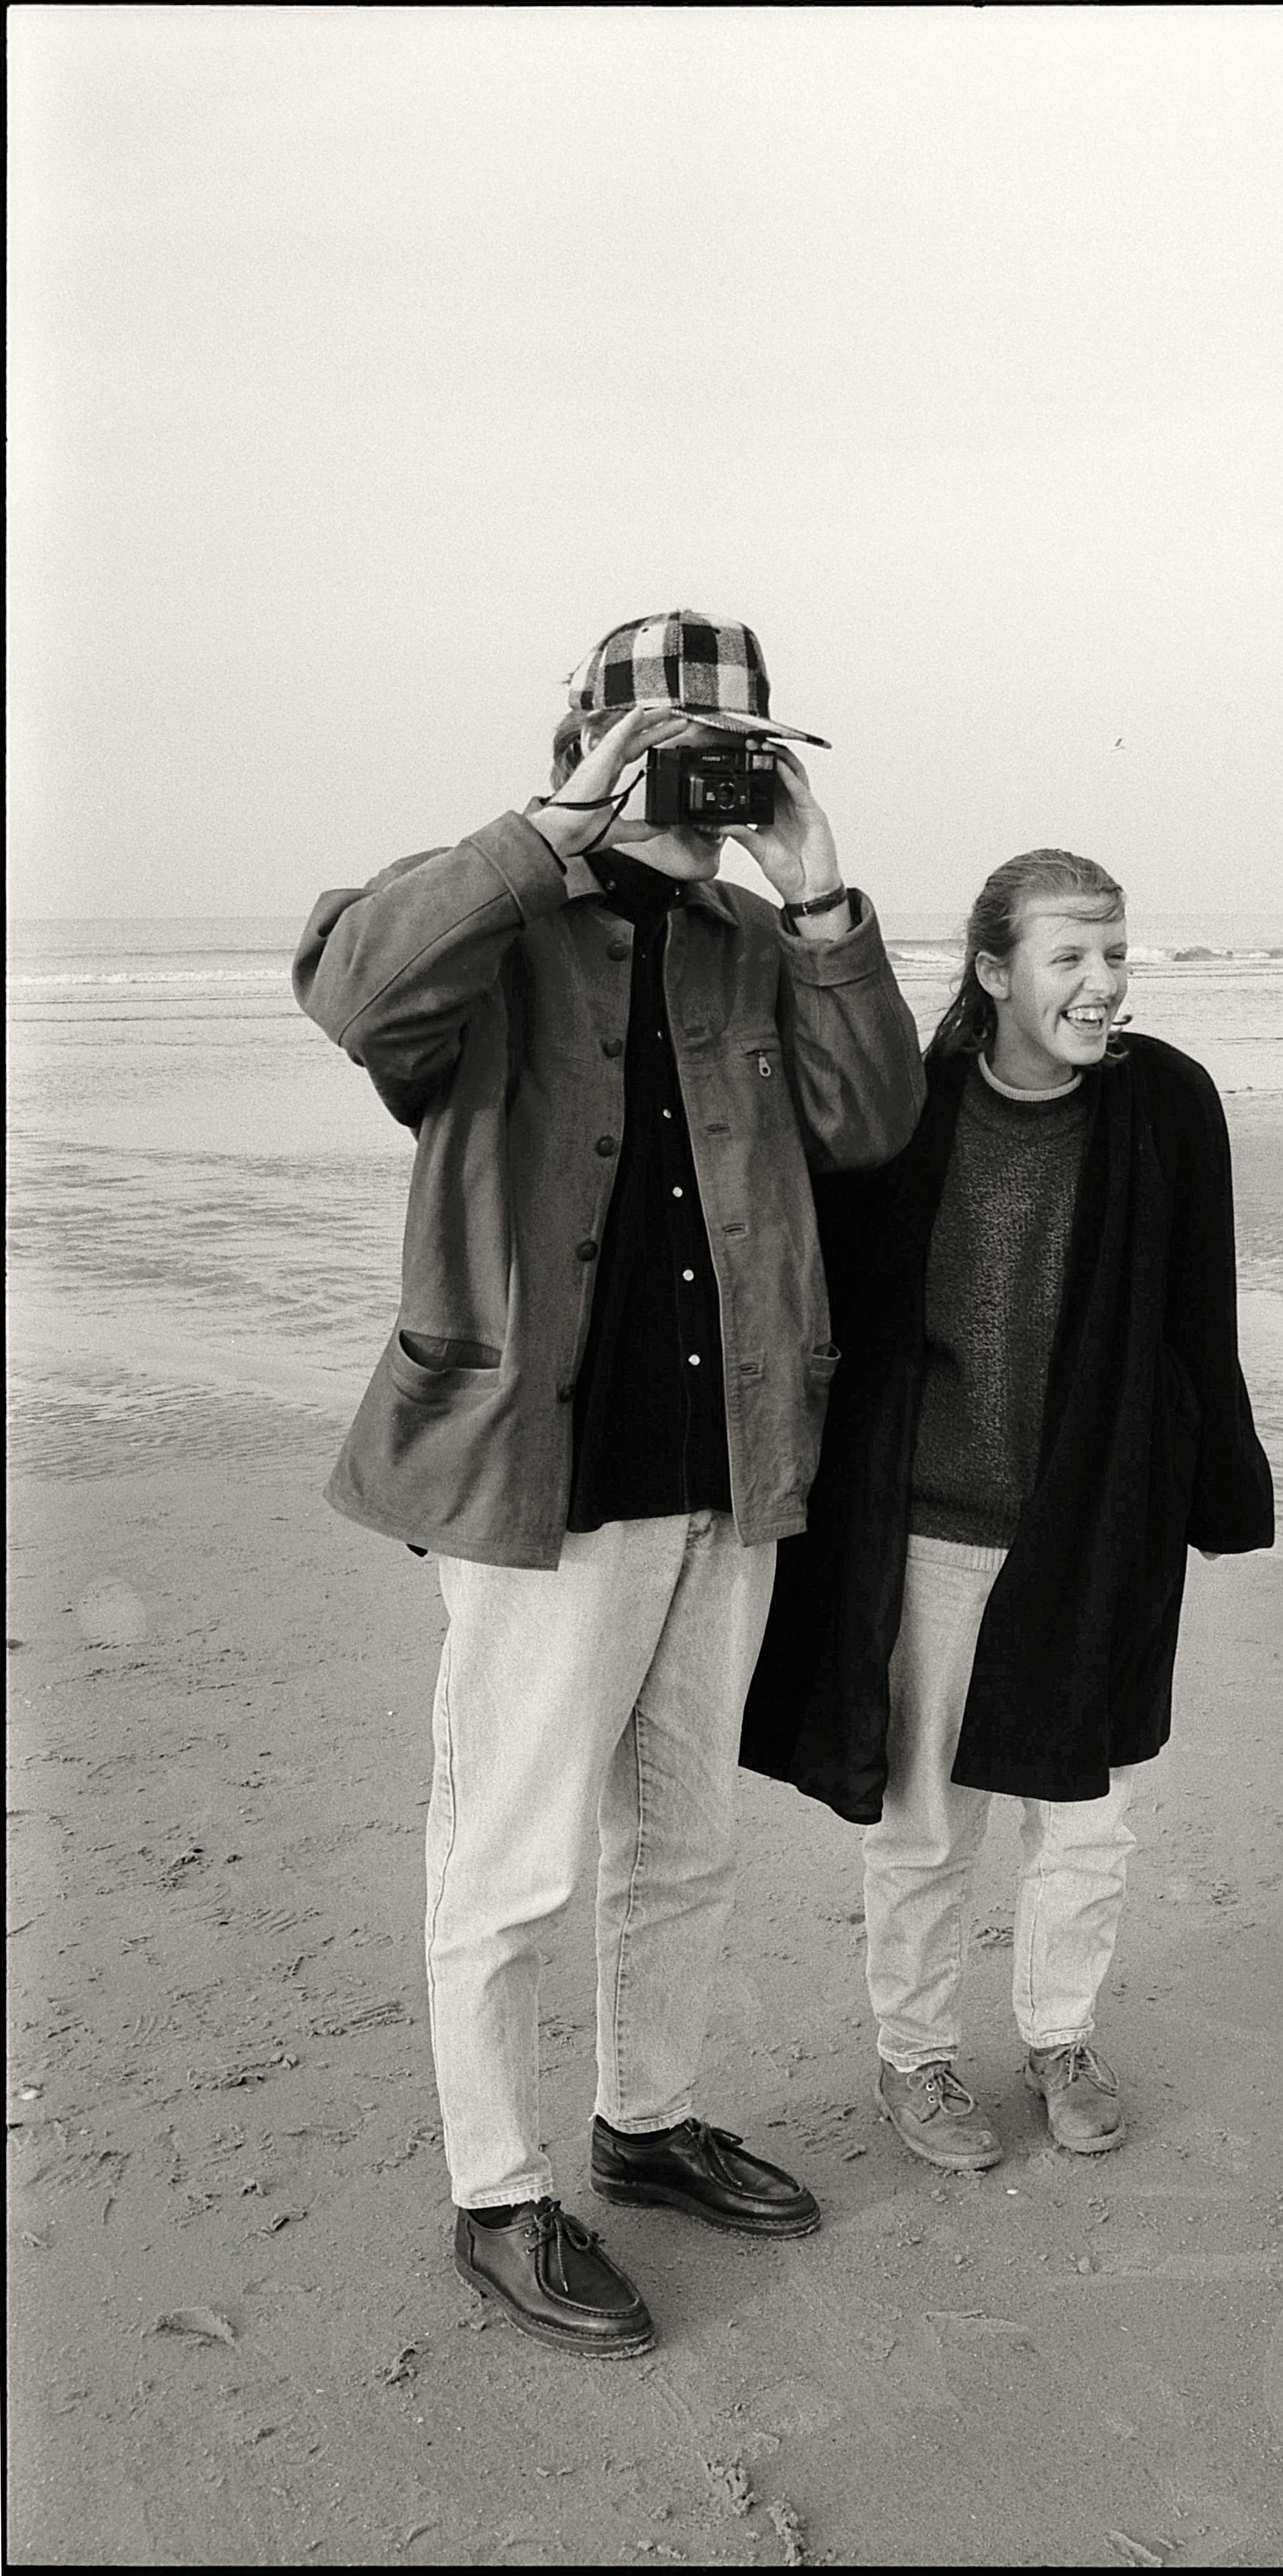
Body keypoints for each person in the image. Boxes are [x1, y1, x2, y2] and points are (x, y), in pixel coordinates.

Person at [293, 610, 923, 2352]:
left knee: (687, 1838)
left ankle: (642, 2126)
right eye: (671, 749)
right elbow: (353, 996)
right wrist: (547, 831)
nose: (708, 782)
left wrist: (820, 899)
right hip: (532, 1473)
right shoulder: (484, 916)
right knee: (508, 1863)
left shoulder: (755, 933)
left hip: (730, 1463)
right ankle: (499, 2197)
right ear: (591, 745)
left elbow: (870, 1124)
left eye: (741, 753)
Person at [741, 848, 1273, 2170]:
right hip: (926, 1531)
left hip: (1094, 1524)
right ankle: (917, 2061)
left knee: (1088, 1820)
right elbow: (829, 1309)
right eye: (1070, 958)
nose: (1103, 985)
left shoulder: (1167, 1105)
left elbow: (1200, 1310)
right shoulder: (906, 1112)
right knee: (926, 1826)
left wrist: (1216, 1488)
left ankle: (1059, 2038)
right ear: (993, 972)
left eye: (1115, 953)